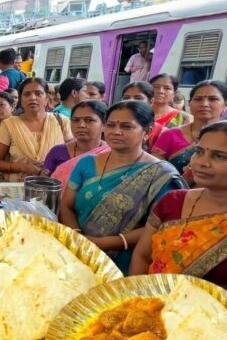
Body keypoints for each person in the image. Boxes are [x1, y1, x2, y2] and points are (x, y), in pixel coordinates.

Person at [59, 101, 185, 273]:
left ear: (147, 132)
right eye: (110, 125)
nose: (116, 132)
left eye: (126, 126)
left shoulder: (161, 175)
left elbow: (162, 227)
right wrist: (77, 236)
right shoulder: (87, 163)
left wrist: (107, 243)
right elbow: (66, 205)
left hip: (126, 261)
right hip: (78, 251)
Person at [130, 121, 227, 285]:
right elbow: (142, 256)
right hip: (150, 303)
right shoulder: (173, 201)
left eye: (220, 156)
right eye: (199, 151)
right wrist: (136, 298)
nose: (203, 162)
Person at [0, 77, 72, 180]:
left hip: (53, 188)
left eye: (38, 93)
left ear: (47, 98)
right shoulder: (9, 125)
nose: (32, 98)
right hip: (18, 189)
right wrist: (23, 167)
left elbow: (73, 156)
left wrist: (51, 165)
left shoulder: (62, 121)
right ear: (21, 100)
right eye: (27, 94)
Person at [152, 80, 227, 174]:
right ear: (189, 103)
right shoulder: (169, 135)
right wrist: (187, 179)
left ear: (225, 105)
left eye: (213, 99)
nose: (204, 104)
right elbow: (156, 175)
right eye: (198, 99)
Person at [44, 100, 107, 178]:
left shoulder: (112, 153)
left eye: (89, 120)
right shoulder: (57, 152)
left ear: (104, 125)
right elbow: (43, 184)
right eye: (75, 120)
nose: (81, 125)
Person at [122, 81, 165, 150]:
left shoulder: (161, 132)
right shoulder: (112, 125)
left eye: (138, 98)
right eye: (126, 98)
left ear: (151, 101)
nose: (131, 101)